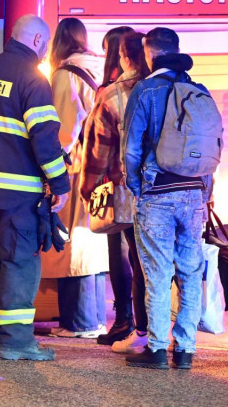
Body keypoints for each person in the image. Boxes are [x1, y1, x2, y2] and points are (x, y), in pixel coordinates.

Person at [0, 14, 70, 361]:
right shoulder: (32, 79)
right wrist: (60, 183)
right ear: (37, 41)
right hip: (18, 195)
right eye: (45, 44)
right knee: (19, 263)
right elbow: (45, 139)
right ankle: (16, 341)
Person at [122, 27, 211, 371]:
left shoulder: (144, 90)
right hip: (193, 193)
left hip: (157, 192)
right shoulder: (198, 91)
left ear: (149, 53)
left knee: (157, 273)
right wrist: (204, 191)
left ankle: (157, 348)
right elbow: (209, 147)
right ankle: (185, 349)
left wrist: (136, 186)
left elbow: (131, 146)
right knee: (190, 272)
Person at [81, 31, 152, 351]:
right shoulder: (171, 87)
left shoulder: (113, 95)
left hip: (127, 190)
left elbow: (98, 151)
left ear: (124, 57)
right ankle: (170, 333)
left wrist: (88, 189)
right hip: (170, 189)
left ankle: (138, 329)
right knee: (157, 260)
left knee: (135, 258)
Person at [42, 18, 109, 339]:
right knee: (92, 242)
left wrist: (51, 172)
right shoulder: (98, 69)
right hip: (99, 168)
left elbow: (63, 130)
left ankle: (78, 322)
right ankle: (95, 318)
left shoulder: (65, 74)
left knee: (72, 246)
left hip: (76, 169)